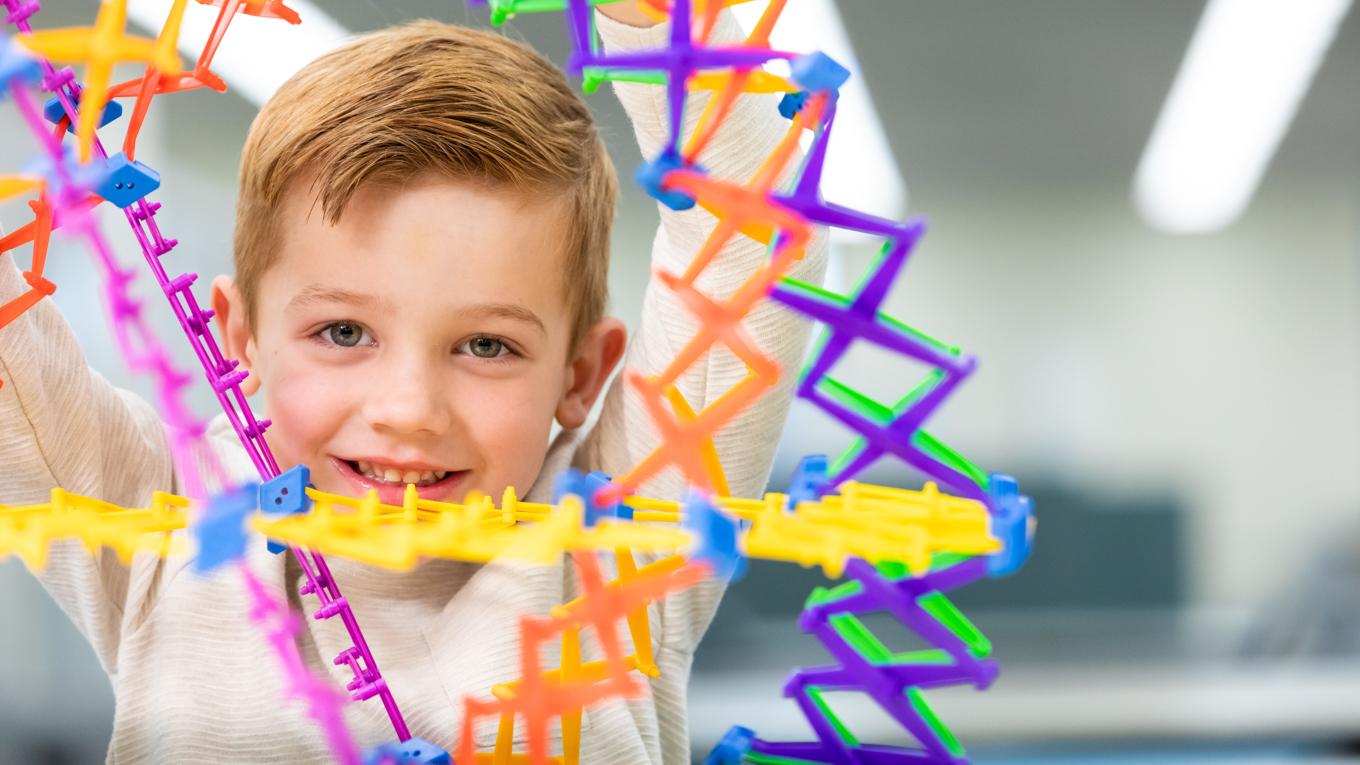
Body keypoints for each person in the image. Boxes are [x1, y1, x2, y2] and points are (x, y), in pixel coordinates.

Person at [0, 5, 825, 762]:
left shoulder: (619, 539)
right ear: (239, 339)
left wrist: (652, 24)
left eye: (486, 345)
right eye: (344, 332)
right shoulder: (166, 520)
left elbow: (754, 245)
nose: (408, 411)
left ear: (580, 375)